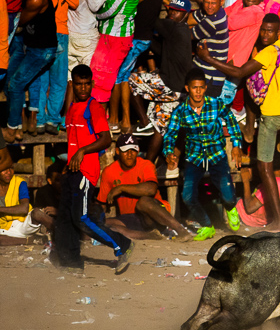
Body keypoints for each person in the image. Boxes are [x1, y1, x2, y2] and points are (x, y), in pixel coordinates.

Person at [197, 13, 280, 230]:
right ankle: (249, 129)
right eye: (263, 30)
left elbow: (240, 71)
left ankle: (278, 220)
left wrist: (208, 58)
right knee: (251, 85)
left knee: (265, 167)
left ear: (277, 32)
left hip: (272, 117)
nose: (265, 34)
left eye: (270, 31)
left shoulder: (269, 52)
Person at [54, 64, 133, 274]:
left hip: (86, 171)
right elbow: (73, 142)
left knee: (81, 217)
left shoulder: (94, 108)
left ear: (92, 84)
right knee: (67, 217)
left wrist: (82, 151)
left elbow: (106, 139)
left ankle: (121, 244)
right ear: (73, 84)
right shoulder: (71, 109)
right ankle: (72, 262)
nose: (83, 88)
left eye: (86, 84)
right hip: (72, 170)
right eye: (78, 84)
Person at [162, 68, 243, 241]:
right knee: (187, 196)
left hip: (216, 155)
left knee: (228, 196)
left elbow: (231, 121)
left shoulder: (215, 104)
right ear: (187, 88)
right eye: (194, 88)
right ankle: (207, 226)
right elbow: (170, 134)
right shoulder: (180, 112)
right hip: (194, 158)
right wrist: (169, 152)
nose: (198, 91)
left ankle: (230, 208)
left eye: (201, 87)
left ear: (205, 88)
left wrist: (236, 145)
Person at [128, 0, 193, 167]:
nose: (172, 13)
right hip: (179, 90)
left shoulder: (174, 27)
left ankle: (143, 121)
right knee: (160, 128)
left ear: (186, 15)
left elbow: (150, 19)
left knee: (130, 80)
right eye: (171, 9)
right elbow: (160, 49)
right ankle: (148, 165)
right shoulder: (183, 31)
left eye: (178, 12)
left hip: (169, 85)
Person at [108, 0, 165, 134]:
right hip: (140, 37)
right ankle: (124, 118)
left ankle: (119, 119)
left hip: (139, 38)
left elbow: (131, 1)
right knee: (123, 75)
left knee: (119, 76)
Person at [97, 133, 191, 240]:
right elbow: (102, 203)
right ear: (118, 151)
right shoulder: (109, 171)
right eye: (125, 150)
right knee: (100, 224)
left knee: (143, 201)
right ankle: (150, 236)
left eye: (133, 150)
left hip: (152, 215)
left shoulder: (146, 165)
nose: (129, 154)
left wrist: (120, 188)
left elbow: (150, 190)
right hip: (128, 218)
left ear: (137, 151)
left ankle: (181, 231)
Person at [4, 0, 57, 143]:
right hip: (28, 45)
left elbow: (18, 23)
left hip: (42, 51)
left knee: (16, 84)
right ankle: (17, 126)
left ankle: (11, 128)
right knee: (9, 82)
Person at [90, 0, 143, 106]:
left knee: (105, 79)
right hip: (107, 32)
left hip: (118, 36)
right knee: (96, 74)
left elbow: (111, 9)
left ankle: (99, 120)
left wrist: (92, 16)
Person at [32, 0, 77, 136]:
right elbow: (75, 2)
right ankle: (52, 120)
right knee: (58, 81)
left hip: (41, 33)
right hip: (60, 32)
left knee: (41, 80)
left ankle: (39, 121)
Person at [223, 0, 266, 121]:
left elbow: (229, 22)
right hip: (227, 58)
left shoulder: (256, 11)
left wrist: (231, 12)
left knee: (224, 94)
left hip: (235, 61)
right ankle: (234, 112)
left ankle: (231, 114)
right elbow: (224, 12)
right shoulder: (240, 3)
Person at [192, 0, 228, 97]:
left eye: (213, 3)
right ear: (202, 0)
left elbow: (187, 35)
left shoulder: (213, 22)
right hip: (203, 70)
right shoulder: (216, 11)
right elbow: (192, 17)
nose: (209, 6)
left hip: (210, 77)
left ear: (221, 2)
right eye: (207, 2)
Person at [0, 165, 53, 244]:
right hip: (4, 228)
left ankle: (63, 231)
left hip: (24, 223)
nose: (9, 172)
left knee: (37, 213)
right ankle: (34, 240)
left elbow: (24, 208)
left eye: (11, 168)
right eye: (4, 169)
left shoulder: (19, 182)